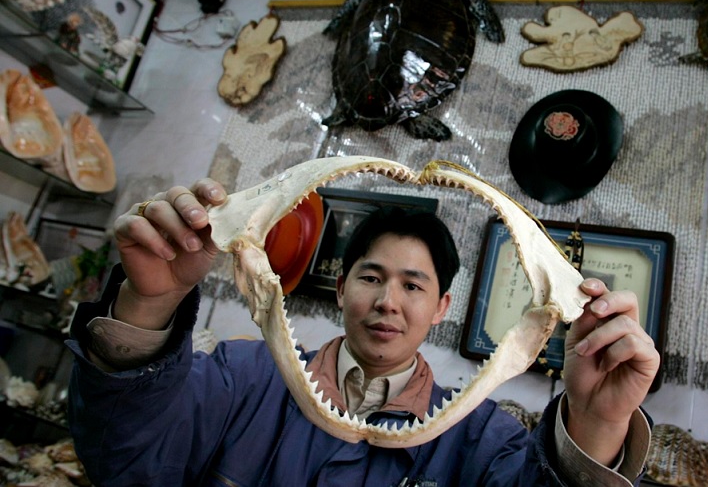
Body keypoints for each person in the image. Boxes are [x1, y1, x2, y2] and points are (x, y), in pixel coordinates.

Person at [67, 178, 660, 486]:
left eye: (413, 285)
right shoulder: (243, 378)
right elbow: (126, 463)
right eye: (370, 277)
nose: (387, 302)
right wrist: (148, 304)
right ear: (342, 286)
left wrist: (599, 424)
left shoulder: (480, 438)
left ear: (442, 307)